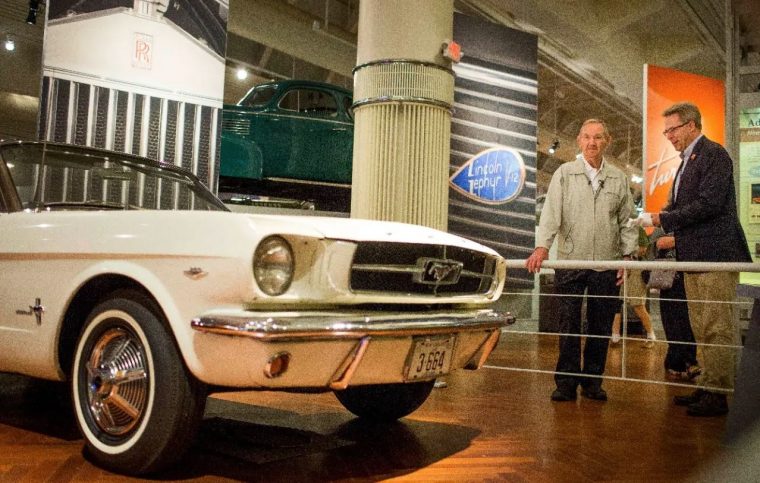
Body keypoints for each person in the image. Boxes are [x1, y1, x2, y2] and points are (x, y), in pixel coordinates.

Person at [639, 102, 751, 417]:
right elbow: (685, 206)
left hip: (715, 256)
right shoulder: (686, 162)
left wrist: (663, 218)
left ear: (691, 125)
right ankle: (706, 384)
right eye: (666, 131)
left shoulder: (714, 155)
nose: (669, 136)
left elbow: (709, 204)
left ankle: (718, 392)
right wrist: (661, 220)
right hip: (695, 257)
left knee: (717, 326)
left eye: (672, 129)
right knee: (701, 325)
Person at [526, 118, 639, 402]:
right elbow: (551, 214)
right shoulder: (564, 173)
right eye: (587, 137)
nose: (592, 143)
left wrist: (627, 256)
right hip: (570, 262)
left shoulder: (618, 178)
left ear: (607, 141)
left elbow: (626, 221)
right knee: (569, 324)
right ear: (579, 140)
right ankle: (565, 382)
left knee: (601, 326)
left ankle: (592, 382)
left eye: (598, 137)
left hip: (607, 263)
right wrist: (542, 247)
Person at [649, 228, 700, 380]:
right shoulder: (666, 227)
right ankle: (682, 360)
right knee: (673, 321)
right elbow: (658, 244)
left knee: (685, 321)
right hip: (672, 281)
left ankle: (681, 360)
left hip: (684, 279)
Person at [611, 226, 657, 347]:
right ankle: (615, 336)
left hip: (635, 268)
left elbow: (643, 248)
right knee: (616, 302)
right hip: (619, 267)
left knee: (637, 304)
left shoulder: (637, 229)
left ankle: (651, 335)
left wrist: (629, 255)